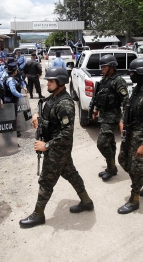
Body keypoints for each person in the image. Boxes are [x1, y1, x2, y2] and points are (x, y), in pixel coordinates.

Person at [19, 67, 93, 228]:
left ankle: (38, 214)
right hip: (56, 147)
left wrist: (47, 145)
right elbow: (47, 114)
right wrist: (36, 116)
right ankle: (87, 201)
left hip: (57, 148)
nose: (47, 84)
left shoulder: (65, 104)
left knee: (46, 181)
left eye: (51, 81)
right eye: (48, 81)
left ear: (60, 83)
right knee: (71, 174)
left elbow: (67, 134)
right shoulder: (54, 97)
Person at [117, 58, 143, 214]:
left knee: (136, 168)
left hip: (140, 138)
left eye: (132, 72)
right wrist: (122, 121)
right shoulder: (136, 90)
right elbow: (127, 108)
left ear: (140, 73)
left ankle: (134, 200)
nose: (130, 75)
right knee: (122, 160)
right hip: (129, 135)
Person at [89, 55, 129, 181]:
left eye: (104, 66)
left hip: (112, 117)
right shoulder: (104, 79)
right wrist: (96, 109)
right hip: (104, 116)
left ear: (111, 67)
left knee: (102, 143)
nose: (101, 69)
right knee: (110, 143)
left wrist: (123, 120)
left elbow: (126, 101)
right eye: (101, 66)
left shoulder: (118, 81)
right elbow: (100, 96)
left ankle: (111, 168)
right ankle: (111, 167)